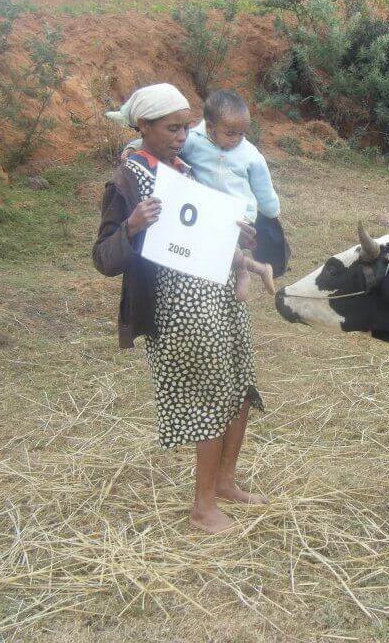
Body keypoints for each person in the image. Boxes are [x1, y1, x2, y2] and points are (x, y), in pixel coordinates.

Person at [95, 83, 266, 534]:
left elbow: (198, 239)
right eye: (172, 128)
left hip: (220, 295)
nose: (181, 135)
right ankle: (202, 507)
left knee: (240, 386)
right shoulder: (127, 179)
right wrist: (131, 226)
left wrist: (239, 244)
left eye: (186, 127)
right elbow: (104, 258)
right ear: (143, 126)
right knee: (208, 399)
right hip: (179, 311)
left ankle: (226, 483)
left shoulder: (184, 171)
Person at [122, 88, 285, 301]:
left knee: (226, 243)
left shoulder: (250, 154)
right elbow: (158, 144)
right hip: (205, 209)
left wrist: (271, 210)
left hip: (239, 212)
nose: (236, 139)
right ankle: (256, 269)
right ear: (210, 127)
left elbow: (263, 186)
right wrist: (133, 147)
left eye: (242, 133)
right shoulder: (193, 141)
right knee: (213, 246)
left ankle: (244, 272)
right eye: (230, 133)